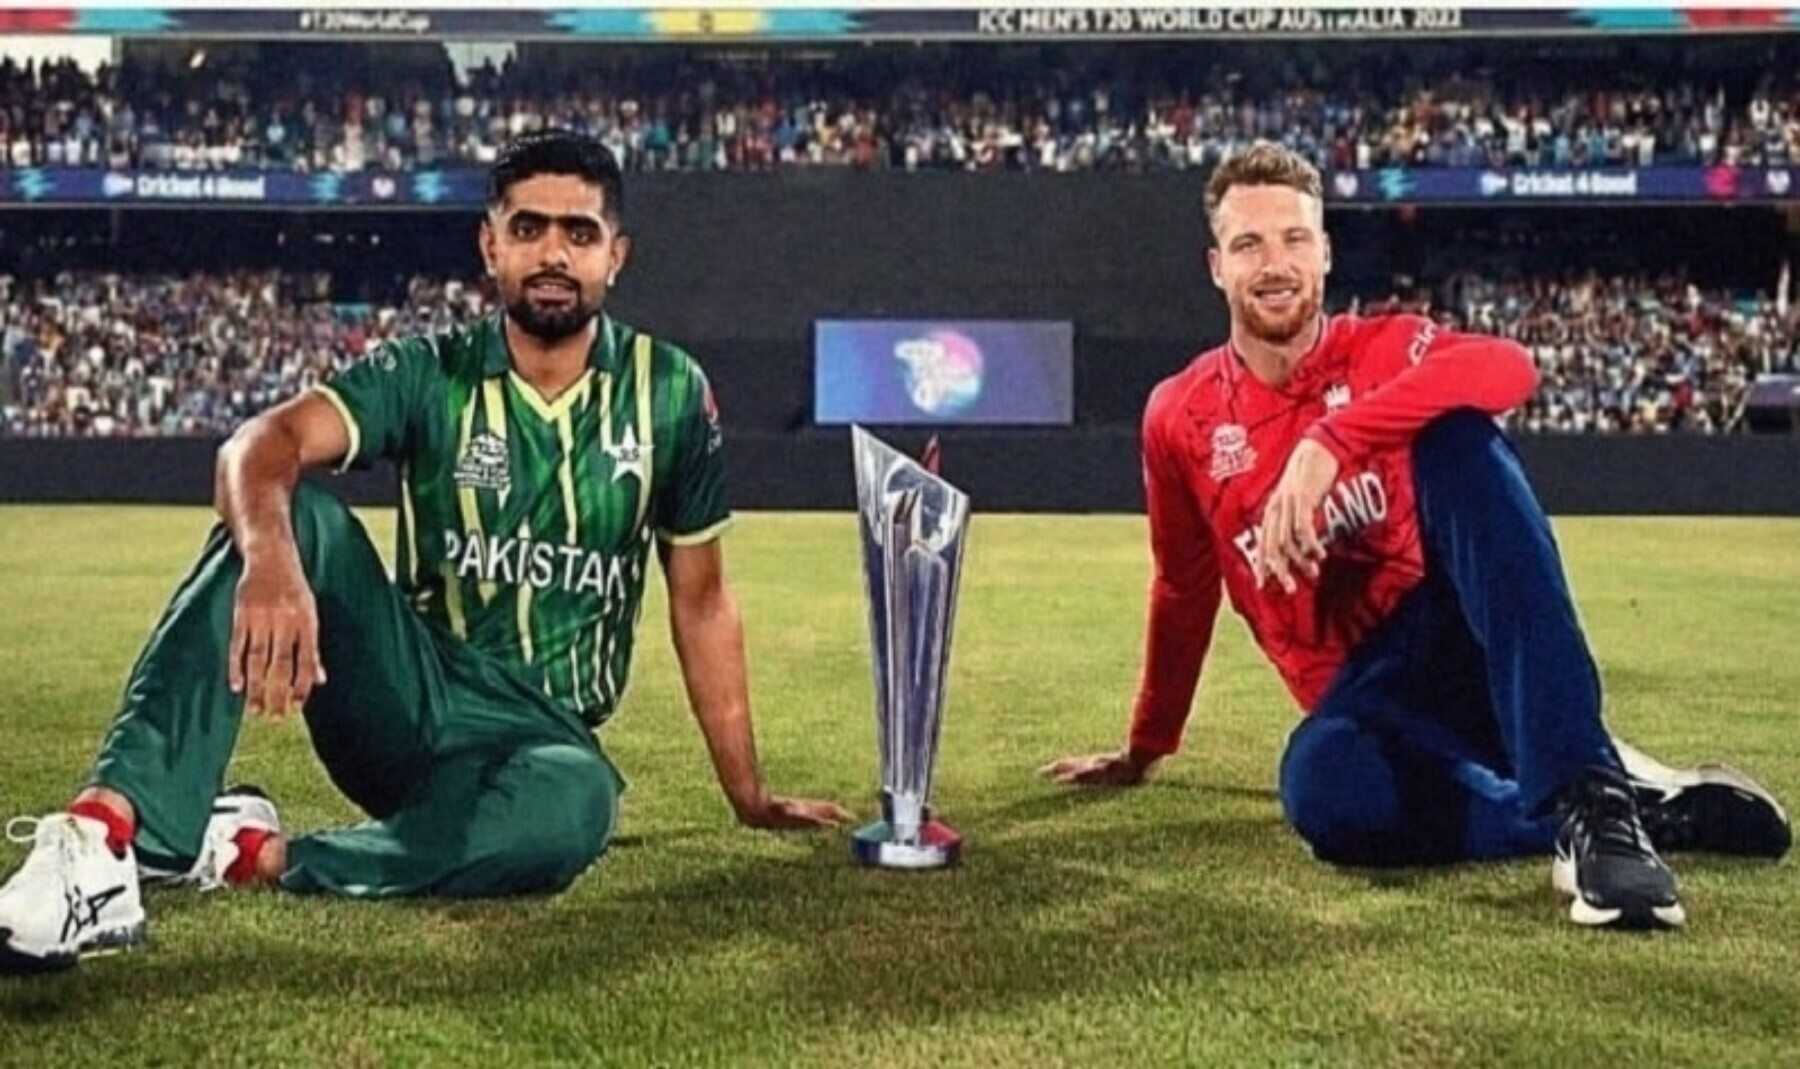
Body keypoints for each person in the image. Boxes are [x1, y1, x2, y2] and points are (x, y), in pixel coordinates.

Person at [0, 130, 852, 974]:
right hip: (408, 699)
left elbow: (701, 600)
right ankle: (103, 839)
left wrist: (749, 793)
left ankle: (249, 853)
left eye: (579, 232)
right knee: (299, 518)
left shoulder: (669, 392)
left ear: (615, 255)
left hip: (542, 738)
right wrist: (272, 560)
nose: (553, 253)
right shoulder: (428, 371)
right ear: (491, 246)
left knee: (579, 804)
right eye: (528, 228)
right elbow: (259, 444)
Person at [1041, 141, 1789, 931]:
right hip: (1364, 698)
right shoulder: (1179, 415)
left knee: (1458, 436)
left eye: (1295, 238)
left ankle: (1594, 804)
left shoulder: (1383, 348)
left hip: (1464, 639)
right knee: (1321, 788)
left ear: (1325, 253)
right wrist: (1146, 744)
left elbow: (1510, 368)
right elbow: (1183, 586)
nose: (1275, 263)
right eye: (1249, 243)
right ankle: (1631, 810)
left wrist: (1334, 439)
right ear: (1216, 267)